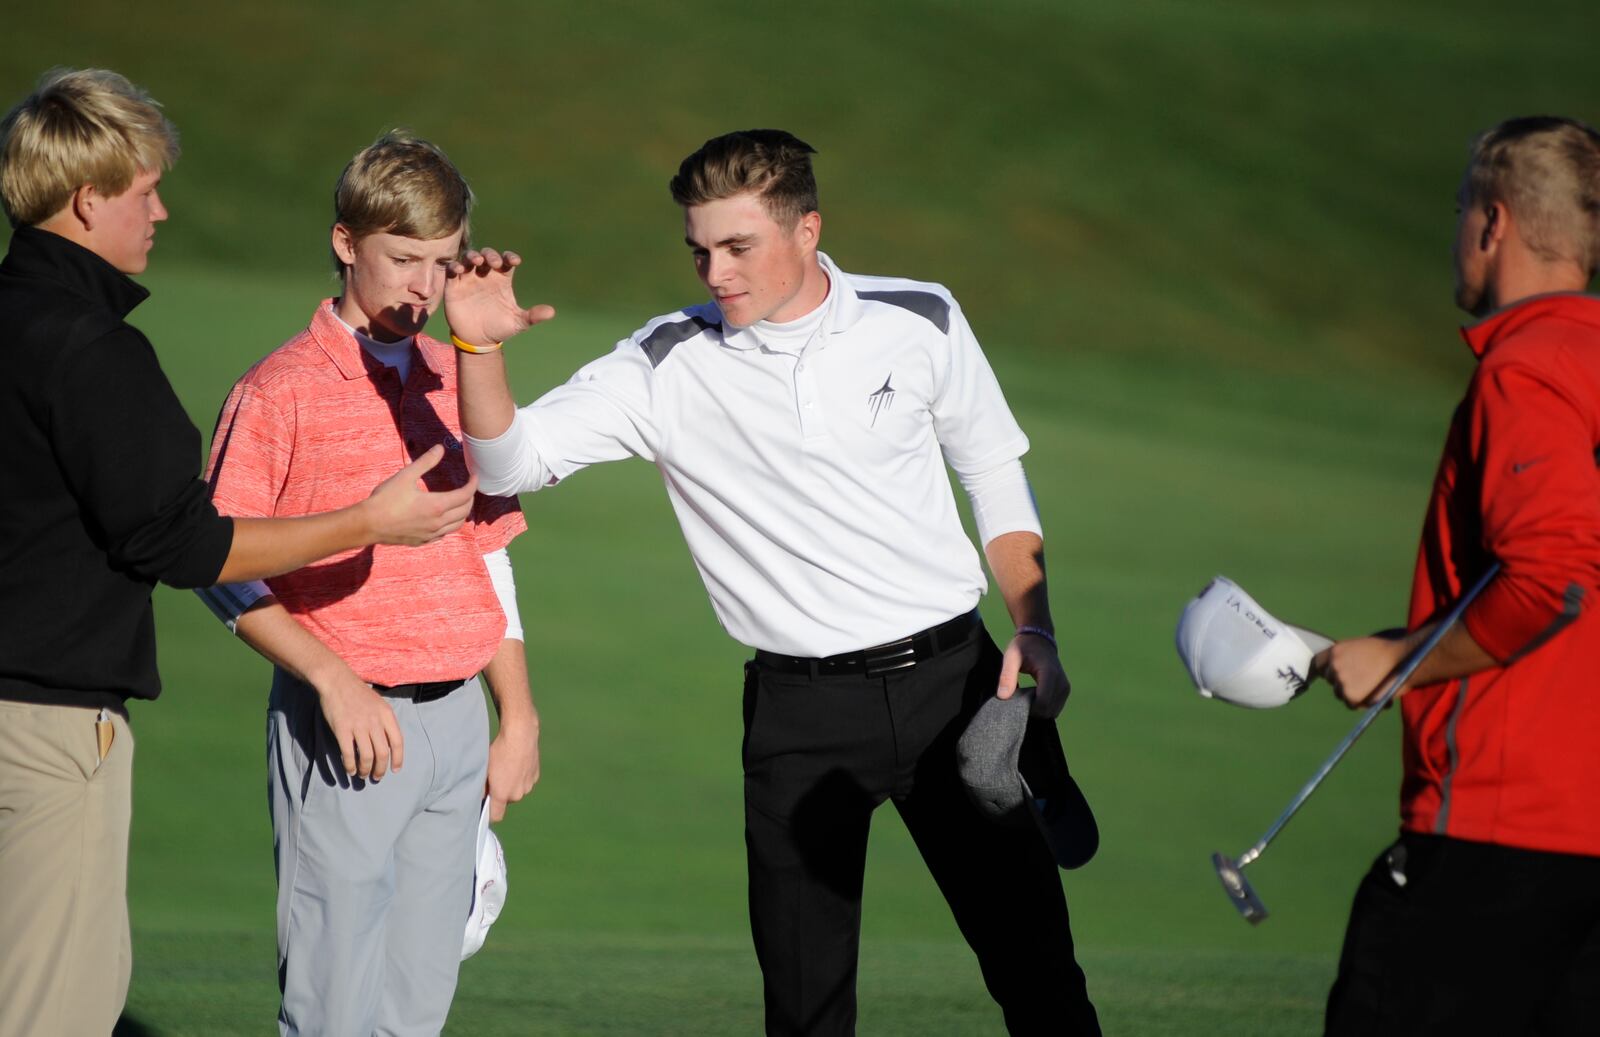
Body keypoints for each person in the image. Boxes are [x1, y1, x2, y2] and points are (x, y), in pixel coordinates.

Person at [447, 129, 1098, 1035]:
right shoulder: (664, 361)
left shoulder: (921, 317)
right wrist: (478, 353)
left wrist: (1039, 625)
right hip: (800, 716)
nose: (714, 272)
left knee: (1039, 978)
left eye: (738, 246)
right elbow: (507, 463)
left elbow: (993, 471)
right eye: (700, 249)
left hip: (957, 684)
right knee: (805, 1008)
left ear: (807, 230)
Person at [0, 70, 476, 1037]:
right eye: (144, 191)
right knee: (54, 1004)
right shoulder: (91, 346)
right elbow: (181, 538)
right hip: (46, 721)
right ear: (88, 199)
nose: (163, 210)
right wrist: (363, 527)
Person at [198, 131, 538, 1036]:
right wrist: (333, 679)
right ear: (347, 243)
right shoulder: (279, 390)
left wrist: (519, 715)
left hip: (458, 721)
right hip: (348, 720)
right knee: (331, 1005)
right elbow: (211, 562)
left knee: (418, 1006)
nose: (424, 286)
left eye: (440, 261)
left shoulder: (451, 371)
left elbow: (489, 550)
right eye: (402, 259)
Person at [1315, 116, 1600, 1035]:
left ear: (1495, 223)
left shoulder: (1523, 372)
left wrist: (1403, 660)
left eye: (1460, 208)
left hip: (1501, 838)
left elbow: (1555, 576)